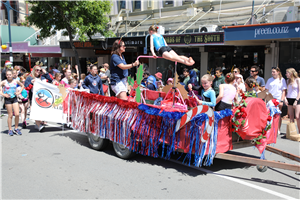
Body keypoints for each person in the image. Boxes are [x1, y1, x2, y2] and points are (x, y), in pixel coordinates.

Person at [24, 65, 53, 132]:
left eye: (40, 70)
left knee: (41, 111)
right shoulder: (29, 78)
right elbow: (26, 87)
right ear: (34, 70)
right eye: (37, 70)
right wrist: (31, 84)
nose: (39, 71)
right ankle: (39, 125)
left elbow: (50, 80)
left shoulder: (42, 77)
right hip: (34, 97)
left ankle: (37, 125)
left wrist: (45, 72)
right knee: (35, 111)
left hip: (42, 97)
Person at [0, 70, 24, 136]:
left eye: (10, 74)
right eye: (7, 74)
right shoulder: (4, 82)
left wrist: (19, 92)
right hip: (8, 99)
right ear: (6, 75)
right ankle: (10, 129)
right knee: (10, 115)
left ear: (12, 75)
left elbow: (22, 86)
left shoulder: (15, 81)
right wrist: (3, 94)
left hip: (14, 99)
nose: (8, 76)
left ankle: (16, 128)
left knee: (17, 114)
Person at [265, 67, 287, 133]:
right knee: (269, 113)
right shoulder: (269, 80)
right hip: (270, 98)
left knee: (278, 114)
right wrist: (265, 99)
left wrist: (282, 100)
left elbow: (284, 91)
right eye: (272, 72)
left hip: (278, 98)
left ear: (278, 72)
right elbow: (267, 90)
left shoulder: (282, 80)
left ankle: (278, 128)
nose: (272, 73)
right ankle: (270, 128)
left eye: (274, 72)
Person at [285, 68, 300, 132]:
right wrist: (285, 99)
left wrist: (296, 100)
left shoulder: (298, 80)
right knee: (291, 116)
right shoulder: (287, 81)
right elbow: (285, 91)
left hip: (296, 98)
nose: (286, 74)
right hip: (289, 98)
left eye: (287, 73)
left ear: (291, 73)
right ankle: (292, 131)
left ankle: (299, 131)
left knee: (297, 116)